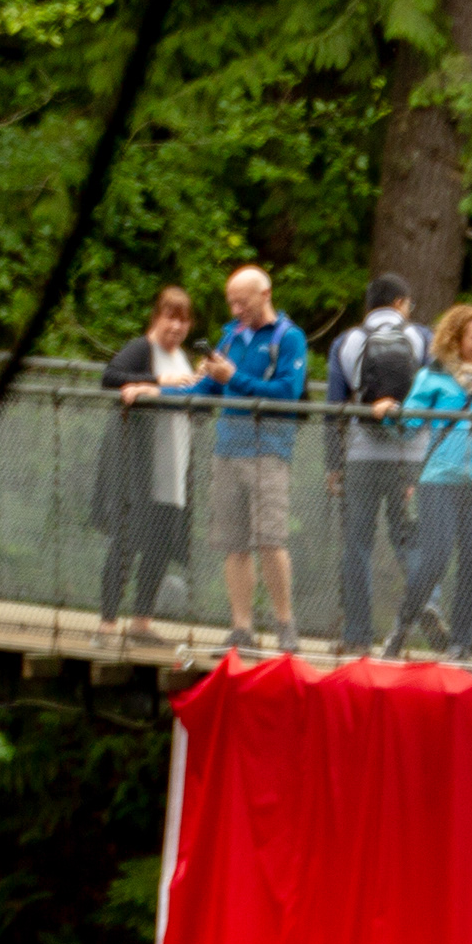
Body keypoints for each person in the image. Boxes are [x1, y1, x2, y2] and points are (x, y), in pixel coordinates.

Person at [176, 263, 307, 654]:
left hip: (268, 448)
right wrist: (155, 394)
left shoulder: (289, 337)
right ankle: (242, 629)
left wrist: (231, 377)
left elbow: (287, 392)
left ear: (265, 295)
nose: (235, 310)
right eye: (231, 302)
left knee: (270, 538)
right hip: (228, 447)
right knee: (234, 543)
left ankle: (285, 624)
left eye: (242, 302)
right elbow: (207, 389)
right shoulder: (230, 337)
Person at [327, 273, 435, 656]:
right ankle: (429, 602)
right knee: (409, 537)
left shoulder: (346, 341)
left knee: (356, 544)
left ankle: (357, 634)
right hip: (412, 454)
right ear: (402, 303)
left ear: (369, 305)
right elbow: (437, 394)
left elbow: (335, 408)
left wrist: (333, 464)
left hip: (362, 454)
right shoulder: (422, 338)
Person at [402, 302, 472, 662]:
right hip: (439, 479)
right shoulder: (434, 375)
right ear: (456, 338)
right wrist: (389, 413)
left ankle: (460, 644)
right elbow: (408, 422)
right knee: (435, 557)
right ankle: (402, 625)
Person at [95, 283, 199, 640]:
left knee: (159, 543)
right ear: (158, 317)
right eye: (171, 318)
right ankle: (108, 622)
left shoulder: (184, 358)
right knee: (127, 539)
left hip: (172, 465)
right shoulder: (142, 349)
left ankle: (141, 621)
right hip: (138, 465)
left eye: (184, 321)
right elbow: (110, 377)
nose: (177, 327)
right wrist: (155, 380)